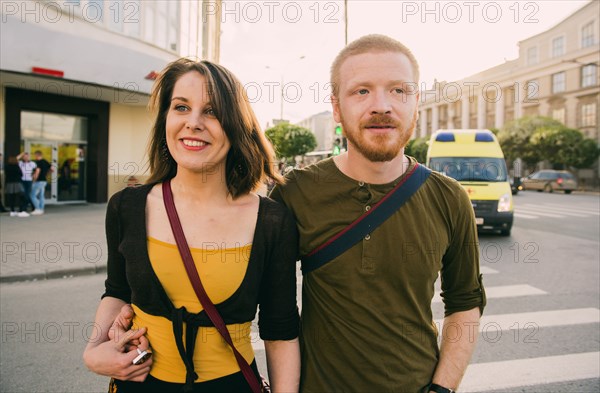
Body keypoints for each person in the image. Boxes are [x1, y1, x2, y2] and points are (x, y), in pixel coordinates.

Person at [269, 35, 486, 392]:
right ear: (336, 108)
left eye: (399, 90)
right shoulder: (295, 193)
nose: (381, 105)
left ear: (416, 103)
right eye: (361, 91)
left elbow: (465, 302)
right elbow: (268, 308)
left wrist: (442, 388)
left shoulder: (450, 198)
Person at [83, 58, 301, 392]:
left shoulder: (271, 221)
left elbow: (280, 331)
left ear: (236, 125)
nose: (193, 122)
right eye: (181, 107)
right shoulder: (125, 207)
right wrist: (93, 351)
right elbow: (117, 291)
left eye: (212, 111)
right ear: (166, 119)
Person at [30, 150, 52, 215]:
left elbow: (37, 171)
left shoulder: (38, 162)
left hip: (39, 181)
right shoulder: (45, 161)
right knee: (41, 196)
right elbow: (52, 169)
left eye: (35, 155)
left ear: (37, 155)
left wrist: (34, 179)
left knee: (32, 195)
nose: (35, 156)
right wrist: (46, 175)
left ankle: (38, 209)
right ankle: (41, 209)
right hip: (44, 180)